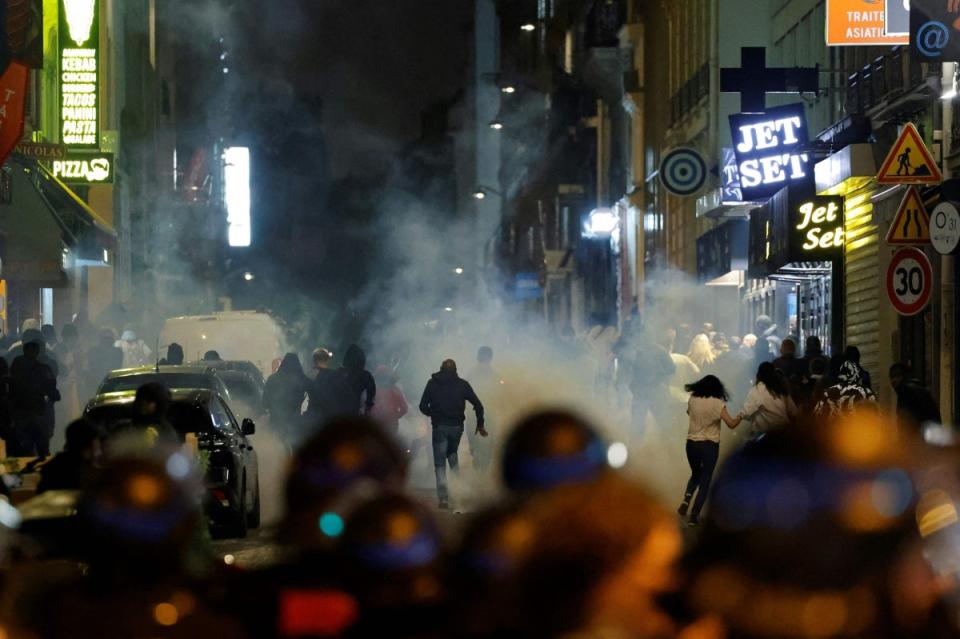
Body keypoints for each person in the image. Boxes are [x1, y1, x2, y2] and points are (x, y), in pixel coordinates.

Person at [418, 359, 485, 509]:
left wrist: (434, 415)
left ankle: (443, 499)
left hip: (440, 427)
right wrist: (480, 423)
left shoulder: (432, 383)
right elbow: (478, 404)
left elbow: (422, 406)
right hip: (456, 428)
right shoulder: (462, 385)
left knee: (440, 464)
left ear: (441, 369)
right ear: (455, 370)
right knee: (452, 455)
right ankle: (456, 492)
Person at [678, 375, 741, 526]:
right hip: (709, 445)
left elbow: (688, 413)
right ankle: (694, 516)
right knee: (705, 480)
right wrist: (741, 415)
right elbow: (731, 424)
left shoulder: (693, 398)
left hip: (691, 444)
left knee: (695, 474)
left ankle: (686, 501)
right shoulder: (718, 403)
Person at [615, 320, 675, 440]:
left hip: (648, 391)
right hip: (647, 391)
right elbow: (671, 369)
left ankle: (668, 447)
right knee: (646, 424)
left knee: (650, 424)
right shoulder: (652, 351)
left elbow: (671, 369)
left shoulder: (640, 351)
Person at [9, 340, 60, 456]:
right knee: (42, 451)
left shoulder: (16, 365)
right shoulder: (44, 369)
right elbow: (53, 393)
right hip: (38, 416)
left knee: (22, 452)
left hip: (20, 417)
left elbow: (11, 390)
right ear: (38, 352)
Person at [37, 419, 103, 493]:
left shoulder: (53, 468)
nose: (99, 452)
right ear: (88, 448)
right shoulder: (89, 476)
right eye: (97, 447)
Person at [465, 346, 501, 472]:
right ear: (490, 358)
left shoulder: (470, 373)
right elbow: (500, 391)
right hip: (487, 412)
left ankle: (477, 459)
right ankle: (482, 468)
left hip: (473, 411)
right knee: (488, 439)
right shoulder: (494, 374)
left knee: (473, 437)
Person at [739, 362, 796, 438]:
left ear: (758, 374)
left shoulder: (756, 390)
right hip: (784, 433)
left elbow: (746, 413)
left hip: (765, 437)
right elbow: (793, 411)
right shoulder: (780, 389)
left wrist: (737, 418)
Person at [263, 353, 309, 442]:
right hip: (295, 423)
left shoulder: (272, 379)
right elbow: (315, 394)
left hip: (276, 423)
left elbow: (264, 402)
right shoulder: (302, 379)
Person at [889, 363, 941, 433]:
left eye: (898, 376)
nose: (894, 380)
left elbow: (907, 422)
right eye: (892, 377)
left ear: (904, 376)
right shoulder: (916, 388)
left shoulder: (906, 391)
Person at [329, 344, 376, 418]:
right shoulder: (365, 375)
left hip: (336, 417)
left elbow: (328, 393)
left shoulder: (336, 374)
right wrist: (367, 411)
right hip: (354, 416)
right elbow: (371, 395)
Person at [83, 329, 123, 400]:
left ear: (112, 340)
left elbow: (117, 366)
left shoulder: (117, 352)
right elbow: (90, 367)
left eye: (109, 339)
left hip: (113, 384)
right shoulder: (93, 351)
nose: (107, 341)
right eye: (105, 339)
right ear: (100, 340)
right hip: (96, 384)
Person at [368, 364, 408, 434]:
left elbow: (365, 406)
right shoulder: (395, 391)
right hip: (389, 424)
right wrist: (395, 416)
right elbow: (404, 408)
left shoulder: (372, 390)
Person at [304, 347, 336, 423]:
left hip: (312, 413)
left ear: (314, 360)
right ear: (327, 359)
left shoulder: (309, 374)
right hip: (328, 414)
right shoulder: (334, 374)